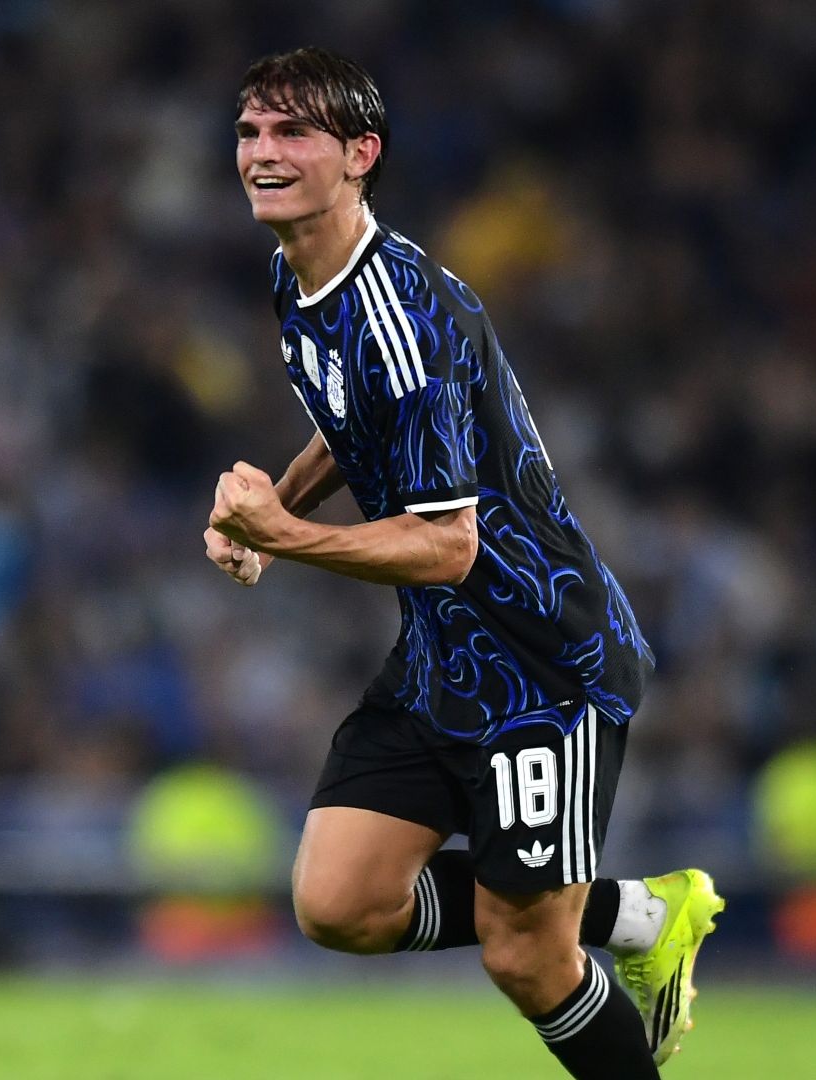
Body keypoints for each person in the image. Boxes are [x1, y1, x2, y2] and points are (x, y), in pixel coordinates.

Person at [204, 48, 724, 1078]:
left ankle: (615, 932)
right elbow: (354, 424)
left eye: (294, 132)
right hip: (444, 657)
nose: (264, 152)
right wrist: (274, 506)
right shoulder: (298, 278)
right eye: (251, 131)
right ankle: (641, 913)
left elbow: (448, 545)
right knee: (340, 902)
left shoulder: (400, 313)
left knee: (526, 956)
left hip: (541, 667)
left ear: (361, 155)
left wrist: (283, 538)